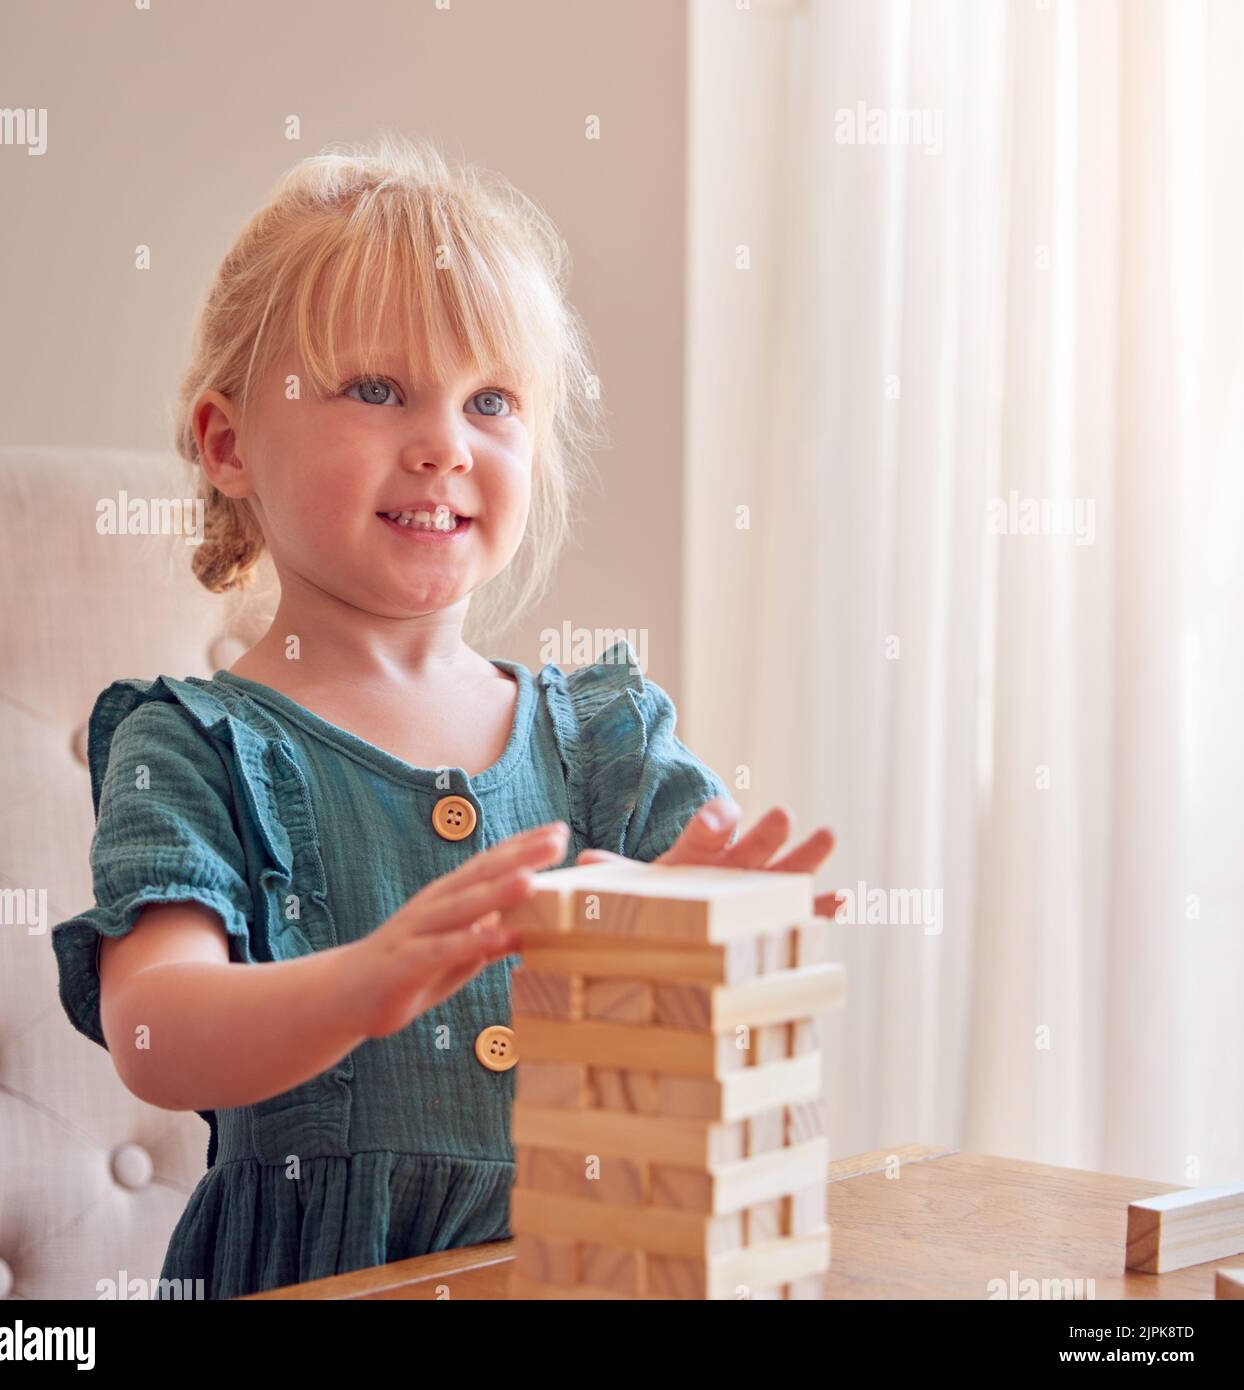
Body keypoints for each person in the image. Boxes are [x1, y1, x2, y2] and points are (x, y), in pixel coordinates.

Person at [51, 131, 839, 1300]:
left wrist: (680, 931)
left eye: (490, 402)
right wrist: (364, 980)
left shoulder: (606, 737)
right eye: (377, 390)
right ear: (229, 445)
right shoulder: (194, 743)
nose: (443, 446)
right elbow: (156, 1031)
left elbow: (702, 1057)